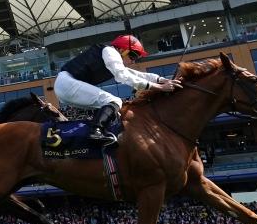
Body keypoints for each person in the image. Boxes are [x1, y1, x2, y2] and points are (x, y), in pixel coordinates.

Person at [53, 35, 181, 144]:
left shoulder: (112, 57)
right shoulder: (110, 51)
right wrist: (159, 87)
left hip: (66, 85)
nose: (133, 61)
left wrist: (161, 80)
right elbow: (123, 76)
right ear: (121, 50)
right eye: (133, 55)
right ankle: (96, 132)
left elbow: (137, 75)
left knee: (111, 109)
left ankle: (100, 131)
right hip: (66, 83)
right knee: (114, 101)